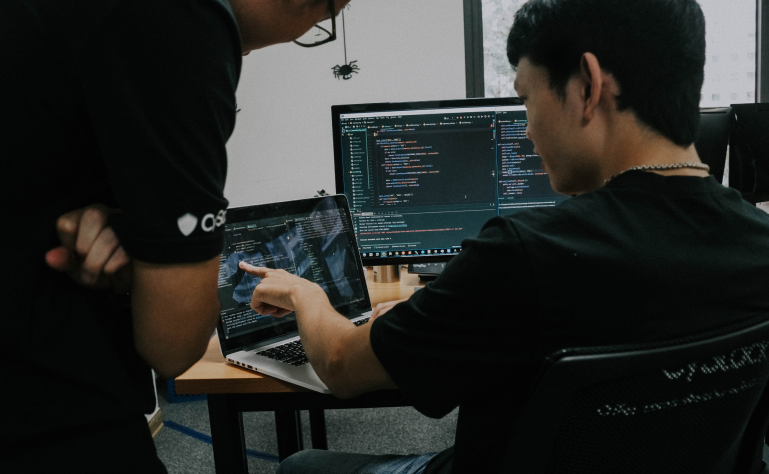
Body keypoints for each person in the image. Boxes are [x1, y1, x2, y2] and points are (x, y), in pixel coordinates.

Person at [232, 0, 769, 473]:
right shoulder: (760, 243)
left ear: (587, 86)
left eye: (526, 99)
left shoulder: (524, 254)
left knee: (302, 464)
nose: (528, 129)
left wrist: (305, 293)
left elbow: (344, 367)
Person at [1, 0, 348, 472]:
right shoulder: (183, 19)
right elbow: (173, 343)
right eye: (321, 21)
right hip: (44, 395)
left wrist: (139, 235)